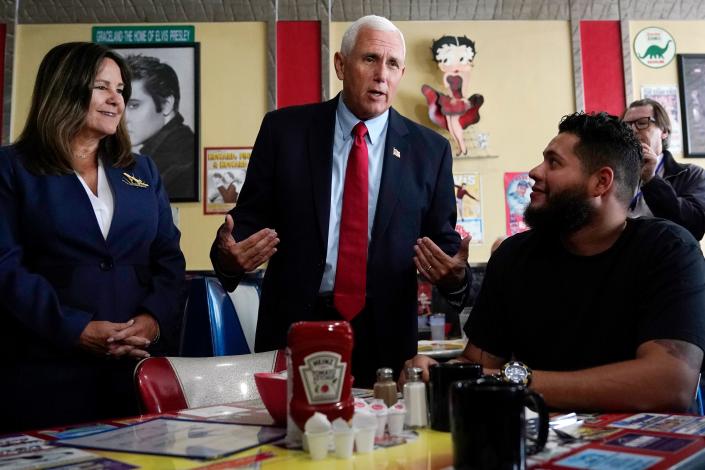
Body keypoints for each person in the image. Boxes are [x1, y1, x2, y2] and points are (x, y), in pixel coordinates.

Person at [211, 15, 472, 387]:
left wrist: (457, 277)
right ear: (340, 64)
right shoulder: (284, 132)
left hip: (386, 340)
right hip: (295, 328)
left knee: (386, 442)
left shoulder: (429, 150)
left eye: (393, 64)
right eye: (369, 59)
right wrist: (228, 258)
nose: (382, 74)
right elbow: (245, 226)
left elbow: (443, 247)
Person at [403, 112, 705, 412]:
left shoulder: (670, 250)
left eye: (554, 162)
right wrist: (434, 373)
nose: (535, 171)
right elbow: (477, 364)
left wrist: (515, 381)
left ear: (601, 182)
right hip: (544, 445)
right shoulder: (514, 256)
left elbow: (670, 384)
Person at [0, 42, 186, 432]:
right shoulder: (13, 168)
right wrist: (74, 328)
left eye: (121, 91)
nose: (116, 100)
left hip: (136, 371)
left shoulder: (142, 170)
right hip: (44, 371)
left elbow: (168, 257)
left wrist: (152, 321)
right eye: (103, 87)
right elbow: (6, 267)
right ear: (65, 88)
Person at [623, 98, 705, 240]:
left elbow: (694, 227)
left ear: (664, 131)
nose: (632, 130)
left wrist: (651, 179)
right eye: (625, 126)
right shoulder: (614, 172)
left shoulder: (692, 174)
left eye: (642, 123)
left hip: (669, 257)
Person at [125, 54, 196, 200]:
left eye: (134, 105)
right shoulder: (163, 155)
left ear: (166, 104)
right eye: (119, 105)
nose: (122, 119)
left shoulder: (180, 163)